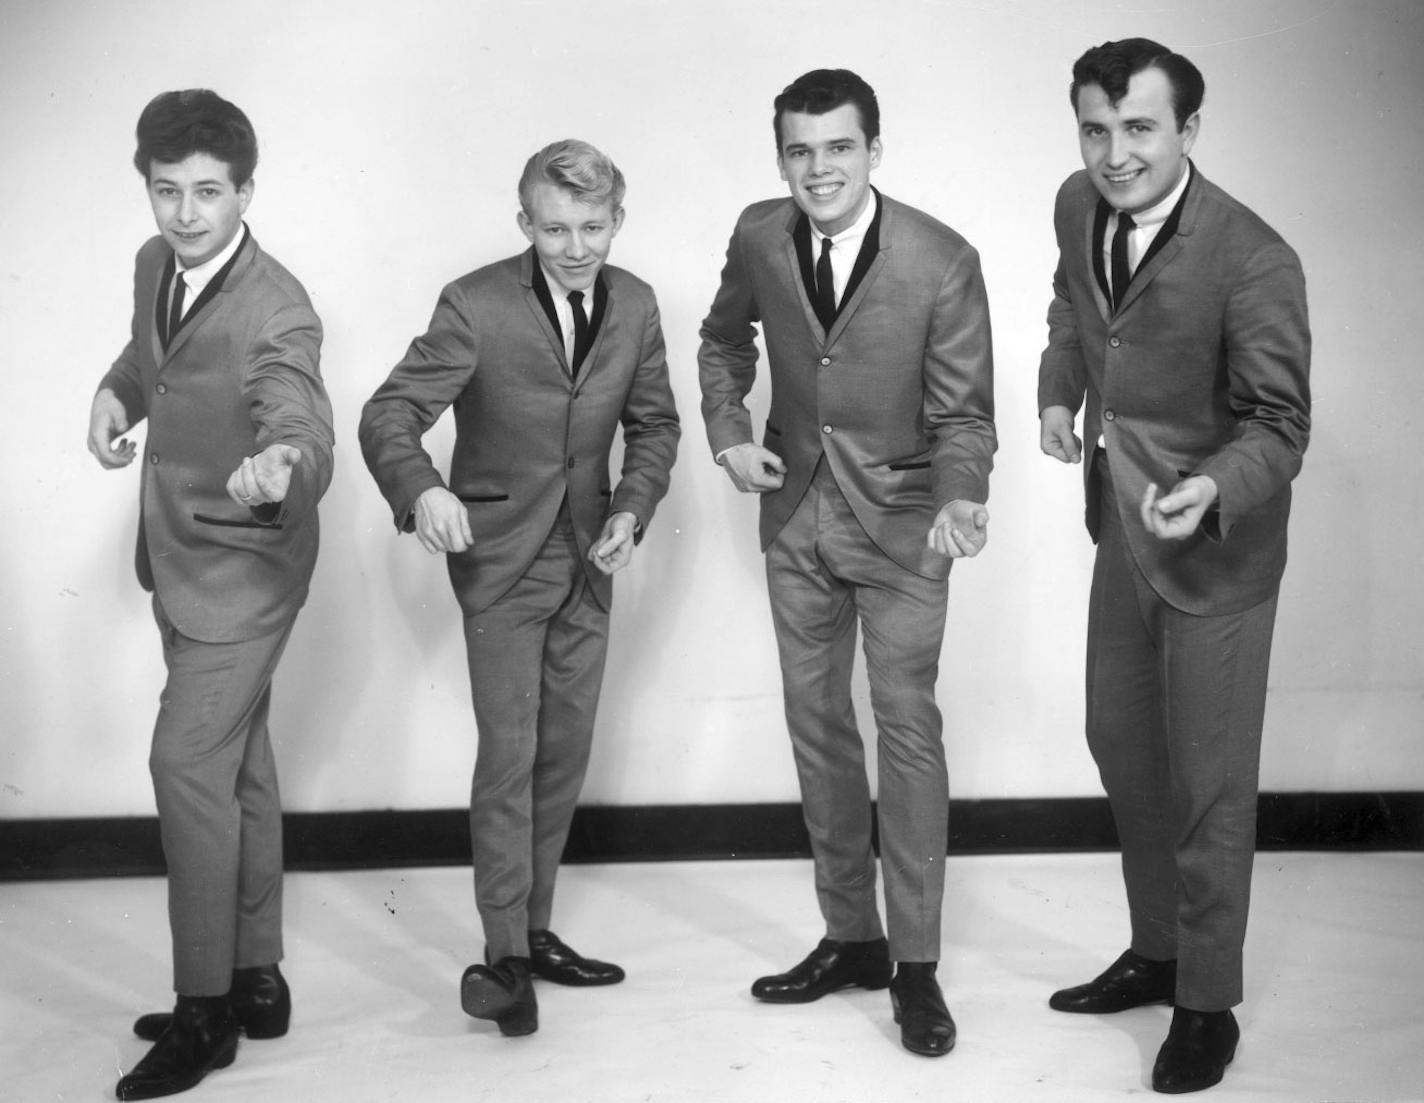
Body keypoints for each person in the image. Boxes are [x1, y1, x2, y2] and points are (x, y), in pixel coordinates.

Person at [698, 69, 996, 1057]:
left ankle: (914, 968)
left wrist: (960, 493)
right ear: (778, 155)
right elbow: (719, 339)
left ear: (873, 148)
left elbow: (963, 414)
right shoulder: (757, 233)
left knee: (905, 728)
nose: (816, 167)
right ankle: (849, 935)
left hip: (908, 524)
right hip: (792, 515)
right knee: (817, 726)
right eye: (797, 149)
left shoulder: (941, 259)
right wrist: (726, 431)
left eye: (836, 147)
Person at [1037, 38, 1311, 1094]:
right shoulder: (1074, 201)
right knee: (1118, 742)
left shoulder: (1251, 256)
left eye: (1138, 129)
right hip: (1124, 526)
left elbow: (1279, 425)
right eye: (1094, 129)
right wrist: (1058, 391)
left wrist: (1214, 487)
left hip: (1217, 551)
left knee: (1205, 783)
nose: (1113, 154)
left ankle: (1206, 1001)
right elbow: (1071, 303)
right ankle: (1156, 949)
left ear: (1187, 131)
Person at [359, 139, 679, 1039]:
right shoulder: (475, 303)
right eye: (552, 228)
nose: (573, 247)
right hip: (502, 559)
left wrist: (632, 509)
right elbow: (389, 411)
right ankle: (504, 961)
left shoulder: (640, 305)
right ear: (523, 222)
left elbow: (655, 424)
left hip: (592, 556)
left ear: (618, 218)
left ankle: (534, 931)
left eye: (590, 226)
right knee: (510, 755)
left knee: (563, 753)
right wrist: (422, 488)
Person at [87, 89, 334, 1100]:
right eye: (166, 191)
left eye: (207, 193)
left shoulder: (279, 304)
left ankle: (205, 1011)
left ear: (245, 191)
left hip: (247, 563)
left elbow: (299, 414)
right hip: (179, 552)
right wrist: (116, 391)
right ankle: (257, 974)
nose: (186, 213)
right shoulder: (156, 263)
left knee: (182, 759)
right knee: (236, 764)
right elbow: (155, 356)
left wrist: (283, 461)